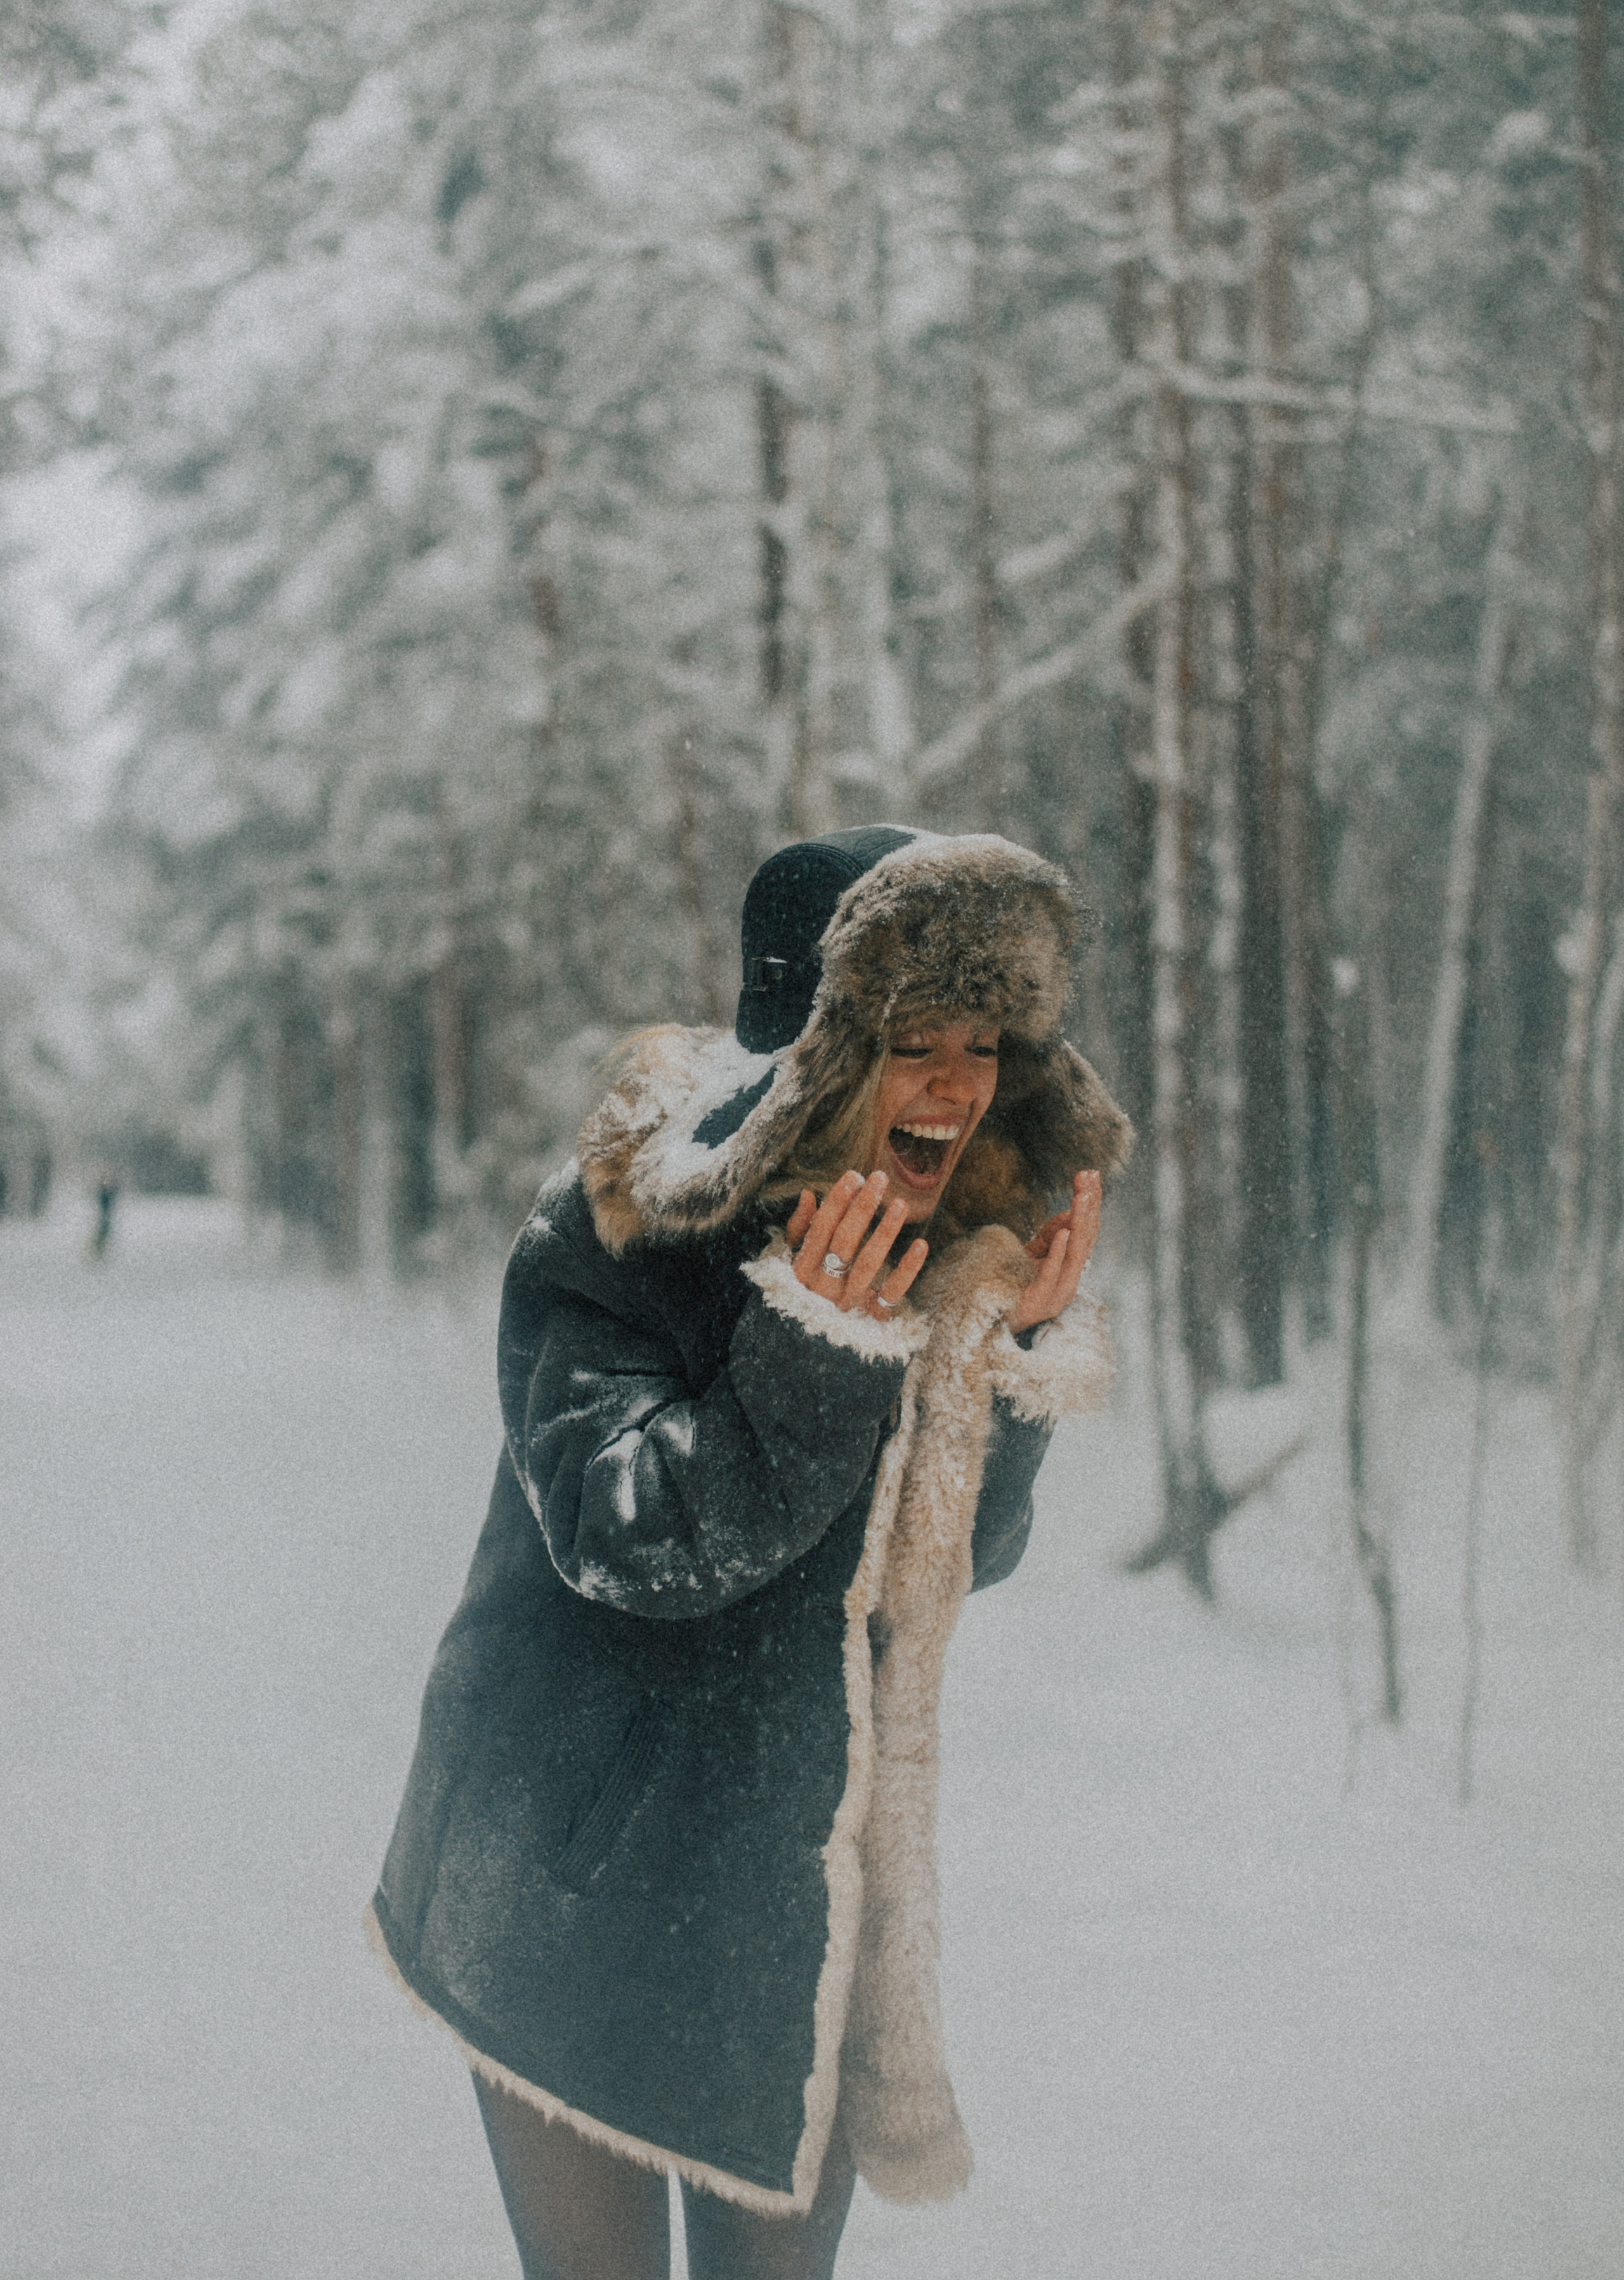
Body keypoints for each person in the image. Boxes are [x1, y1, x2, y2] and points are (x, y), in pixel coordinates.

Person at [367, 827, 1132, 2280]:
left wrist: (1010, 1354)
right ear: (824, 1051)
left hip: (782, 1900)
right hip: (564, 1869)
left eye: (982, 1041)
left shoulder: (942, 1237)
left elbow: (952, 1562)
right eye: (916, 1041)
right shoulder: (623, 1227)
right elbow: (631, 1543)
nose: (958, 1084)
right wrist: (811, 1346)